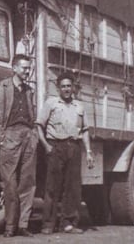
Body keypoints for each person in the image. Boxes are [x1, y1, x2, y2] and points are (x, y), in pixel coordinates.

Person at [36, 72, 94, 235]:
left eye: (69, 86)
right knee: (52, 187)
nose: (67, 89)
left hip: (74, 147)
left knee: (73, 187)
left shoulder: (79, 106)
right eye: (63, 86)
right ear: (58, 88)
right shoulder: (51, 103)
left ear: (73, 87)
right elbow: (39, 125)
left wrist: (88, 151)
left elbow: (85, 130)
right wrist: (46, 146)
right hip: (56, 146)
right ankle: (48, 224)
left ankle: (68, 223)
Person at [0, 54, 38, 238]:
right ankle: (10, 225)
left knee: (27, 181)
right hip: (9, 135)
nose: (27, 71)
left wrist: (33, 134)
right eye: (24, 68)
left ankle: (23, 225)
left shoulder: (29, 90)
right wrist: (0, 138)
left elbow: (32, 113)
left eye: (28, 68)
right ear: (15, 68)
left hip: (28, 136)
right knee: (9, 182)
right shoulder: (2, 87)